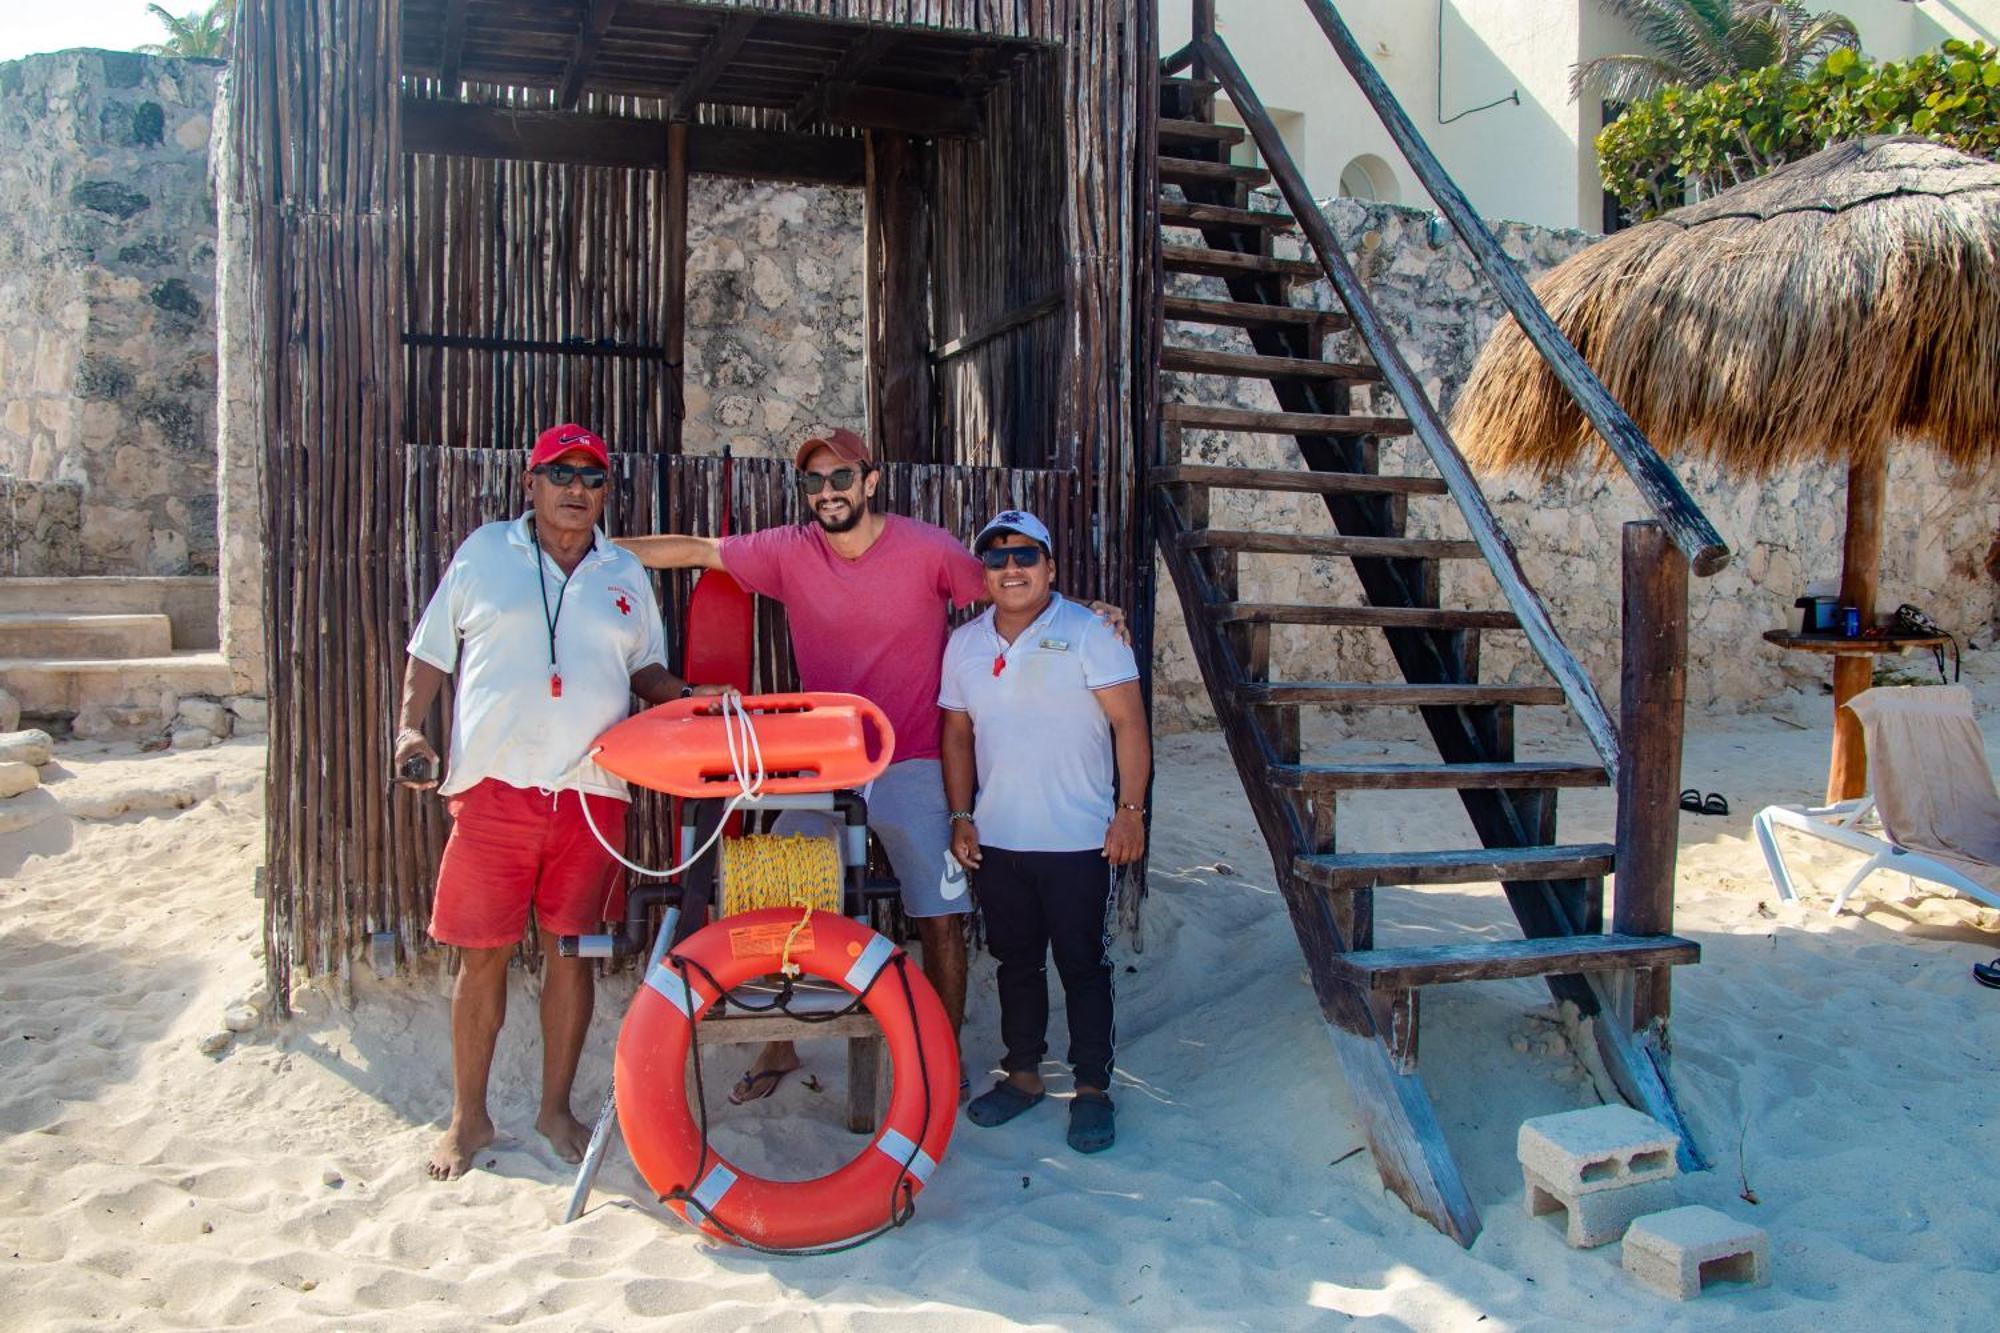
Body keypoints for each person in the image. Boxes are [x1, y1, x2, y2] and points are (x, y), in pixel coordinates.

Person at [617, 427, 1124, 1104]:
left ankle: (937, 1059)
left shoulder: (927, 548)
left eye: (841, 478)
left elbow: (1014, 587)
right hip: (822, 762)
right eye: (814, 482)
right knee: (780, 893)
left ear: (870, 480)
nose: (828, 493)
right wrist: (597, 552)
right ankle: (780, 1041)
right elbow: (694, 551)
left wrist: (1091, 611)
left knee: (941, 914)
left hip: (913, 757)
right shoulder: (788, 550)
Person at [395, 423, 731, 1180]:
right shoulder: (485, 553)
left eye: (591, 475)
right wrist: (407, 729)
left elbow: (645, 669)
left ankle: (554, 1109)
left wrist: (689, 698)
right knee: (480, 955)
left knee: (571, 954)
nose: (576, 487)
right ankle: (468, 1118)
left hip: (591, 793)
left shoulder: (623, 573)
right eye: (560, 472)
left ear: (605, 491)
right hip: (493, 786)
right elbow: (431, 651)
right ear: (531, 481)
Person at [940, 510, 1150, 1154]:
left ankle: (1092, 1091)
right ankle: (1024, 1076)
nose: (1011, 568)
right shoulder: (965, 644)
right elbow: (956, 733)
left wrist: (1130, 811)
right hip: (1000, 840)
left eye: (1026, 556)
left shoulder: (1093, 633)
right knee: (1015, 965)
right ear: (984, 573)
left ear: (1050, 568)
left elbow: (1130, 727)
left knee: (1084, 965)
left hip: (1081, 840)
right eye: (998, 558)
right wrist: (961, 814)